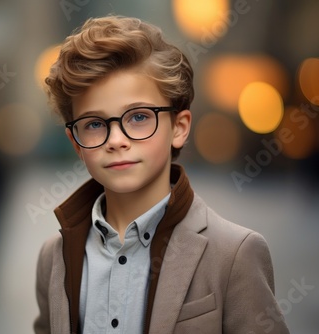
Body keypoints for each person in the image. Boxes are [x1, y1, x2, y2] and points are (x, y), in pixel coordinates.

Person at [34, 15, 289, 334]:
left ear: (178, 128)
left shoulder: (234, 253)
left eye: (139, 117)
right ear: (76, 143)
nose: (116, 140)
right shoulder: (53, 258)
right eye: (95, 124)